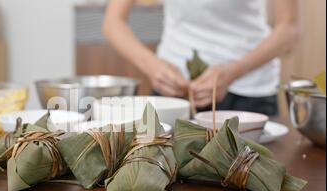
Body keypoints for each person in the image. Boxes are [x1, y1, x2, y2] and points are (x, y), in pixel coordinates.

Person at [103, 0, 299, 115]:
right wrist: (153, 67)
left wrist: (234, 71)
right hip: (174, 89)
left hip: (248, 91)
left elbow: (290, 29)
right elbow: (113, 22)